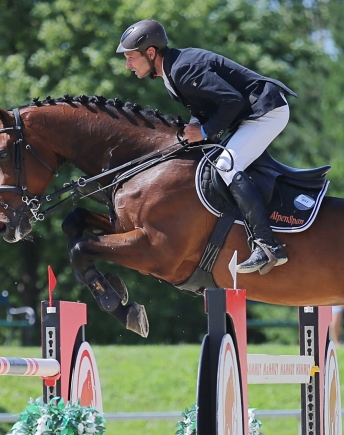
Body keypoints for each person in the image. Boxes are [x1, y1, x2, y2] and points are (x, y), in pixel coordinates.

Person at [117, 19, 296, 274]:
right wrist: (187, 136)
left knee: (226, 165)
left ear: (151, 53)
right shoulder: (172, 73)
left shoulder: (182, 70)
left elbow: (231, 102)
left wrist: (203, 131)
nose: (128, 65)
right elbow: (203, 109)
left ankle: (267, 245)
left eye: (131, 57)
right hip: (248, 115)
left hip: (267, 112)